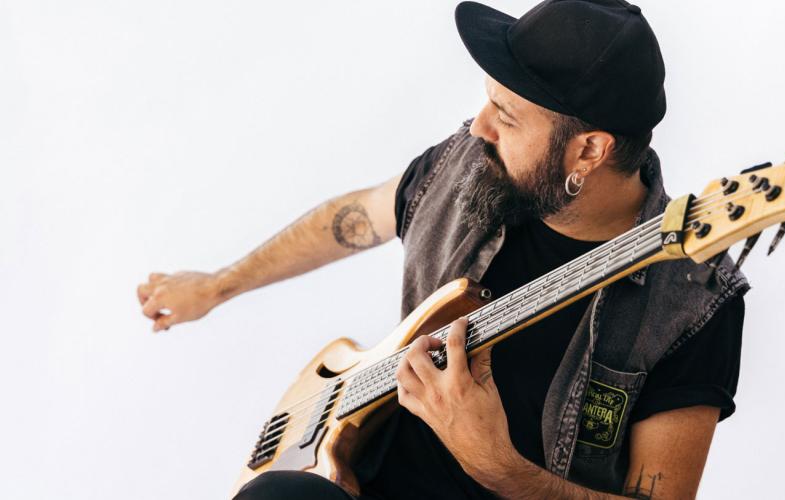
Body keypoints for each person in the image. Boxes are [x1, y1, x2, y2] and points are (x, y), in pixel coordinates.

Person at [137, 1, 749, 498]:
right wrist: (217, 285)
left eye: (507, 115)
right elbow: (354, 217)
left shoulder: (692, 299)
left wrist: (496, 464)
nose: (480, 126)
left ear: (588, 150)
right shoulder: (471, 166)